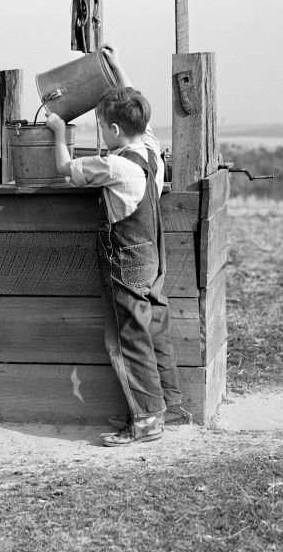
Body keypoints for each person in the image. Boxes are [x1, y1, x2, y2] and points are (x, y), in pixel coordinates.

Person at [45, 46, 190, 447]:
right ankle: (168, 405)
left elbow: (63, 169)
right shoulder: (150, 152)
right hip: (153, 257)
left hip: (125, 262)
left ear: (110, 130)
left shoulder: (113, 165)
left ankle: (145, 419)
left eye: (101, 126)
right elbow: (136, 111)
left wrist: (59, 133)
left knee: (128, 340)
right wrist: (118, 67)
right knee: (155, 329)